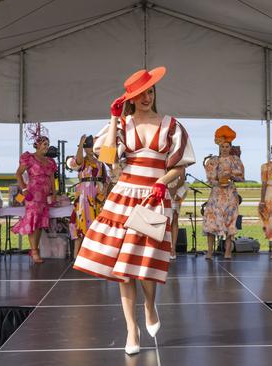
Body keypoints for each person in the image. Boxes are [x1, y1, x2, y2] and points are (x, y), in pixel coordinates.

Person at [72, 67, 195, 355]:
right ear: (131, 98)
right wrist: (114, 119)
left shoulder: (171, 125)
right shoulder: (122, 123)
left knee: (145, 265)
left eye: (150, 92)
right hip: (123, 196)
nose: (146, 97)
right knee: (123, 269)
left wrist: (163, 183)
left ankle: (150, 305)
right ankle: (131, 329)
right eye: (140, 94)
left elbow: (180, 164)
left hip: (153, 197)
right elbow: (106, 157)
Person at [11, 126, 57, 264]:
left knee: (40, 223)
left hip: (45, 195)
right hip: (33, 194)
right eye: (44, 144)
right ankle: (34, 251)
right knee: (33, 222)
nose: (46, 147)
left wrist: (54, 193)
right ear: (36, 145)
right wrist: (24, 190)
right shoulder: (29, 158)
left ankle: (34, 249)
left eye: (47, 145)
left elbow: (51, 179)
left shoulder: (50, 161)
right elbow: (18, 174)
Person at [203, 125, 245, 260]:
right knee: (211, 221)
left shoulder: (235, 160)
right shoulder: (213, 161)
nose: (225, 149)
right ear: (219, 147)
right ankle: (209, 252)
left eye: (227, 147)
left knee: (229, 222)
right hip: (216, 195)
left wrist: (232, 177)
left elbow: (242, 178)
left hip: (230, 195)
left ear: (230, 147)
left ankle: (228, 252)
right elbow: (210, 179)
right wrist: (218, 181)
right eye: (223, 147)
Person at [67, 134, 110, 258]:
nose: (91, 148)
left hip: (97, 195)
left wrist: (103, 192)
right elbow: (78, 161)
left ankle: (93, 255)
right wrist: (80, 144)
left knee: (96, 222)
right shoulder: (80, 160)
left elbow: (106, 179)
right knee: (81, 222)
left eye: (92, 146)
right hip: (84, 196)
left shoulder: (100, 162)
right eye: (89, 146)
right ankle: (76, 254)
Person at [168, 174, 188, 260]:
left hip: (176, 189)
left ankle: (173, 249)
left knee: (174, 220)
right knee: (163, 220)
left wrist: (174, 189)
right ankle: (164, 247)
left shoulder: (180, 162)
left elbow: (182, 177)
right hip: (163, 187)